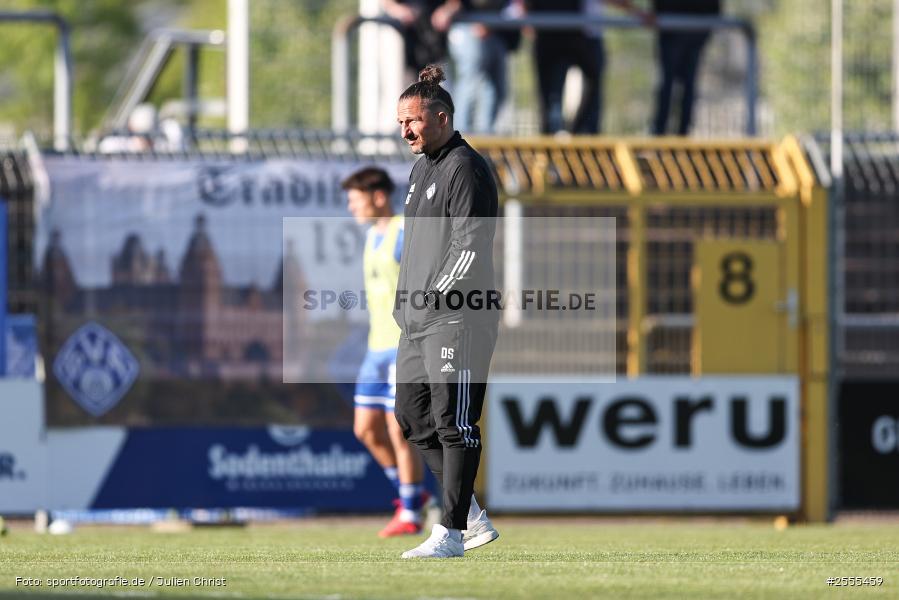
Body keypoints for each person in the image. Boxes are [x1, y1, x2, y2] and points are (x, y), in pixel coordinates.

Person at [393, 64, 500, 558]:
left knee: (454, 422)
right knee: (412, 417)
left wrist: (434, 297)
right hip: (415, 321)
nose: (406, 131)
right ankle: (472, 517)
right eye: (400, 124)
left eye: (411, 121)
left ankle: (452, 531)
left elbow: (469, 245)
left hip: (457, 315)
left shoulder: (465, 167)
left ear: (440, 117)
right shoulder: (421, 168)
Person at [342, 167, 431, 537]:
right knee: (365, 430)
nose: (351, 208)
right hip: (375, 349)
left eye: (355, 200)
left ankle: (410, 514)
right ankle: (412, 496)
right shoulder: (371, 237)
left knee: (400, 430)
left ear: (378, 196)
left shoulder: (403, 232)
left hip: (403, 347)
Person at [524, 0, 651, 134]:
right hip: (559, 34)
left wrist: (637, 12)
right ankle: (562, 134)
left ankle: (580, 133)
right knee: (553, 99)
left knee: (587, 88)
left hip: (572, 34)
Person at [448, 0, 522, 134]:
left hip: (496, 28)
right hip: (470, 25)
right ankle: (467, 140)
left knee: (496, 89)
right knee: (480, 86)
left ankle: (481, 142)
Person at [650, 0, 721, 135]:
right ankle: (669, 134)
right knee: (676, 84)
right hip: (678, 26)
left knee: (679, 84)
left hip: (683, 28)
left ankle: (669, 134)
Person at [381, 0, 464, 76]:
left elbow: (455, 4)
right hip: (406, 49)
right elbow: (388, 3)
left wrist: (446, 11)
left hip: (436, 47)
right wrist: (400, 11)